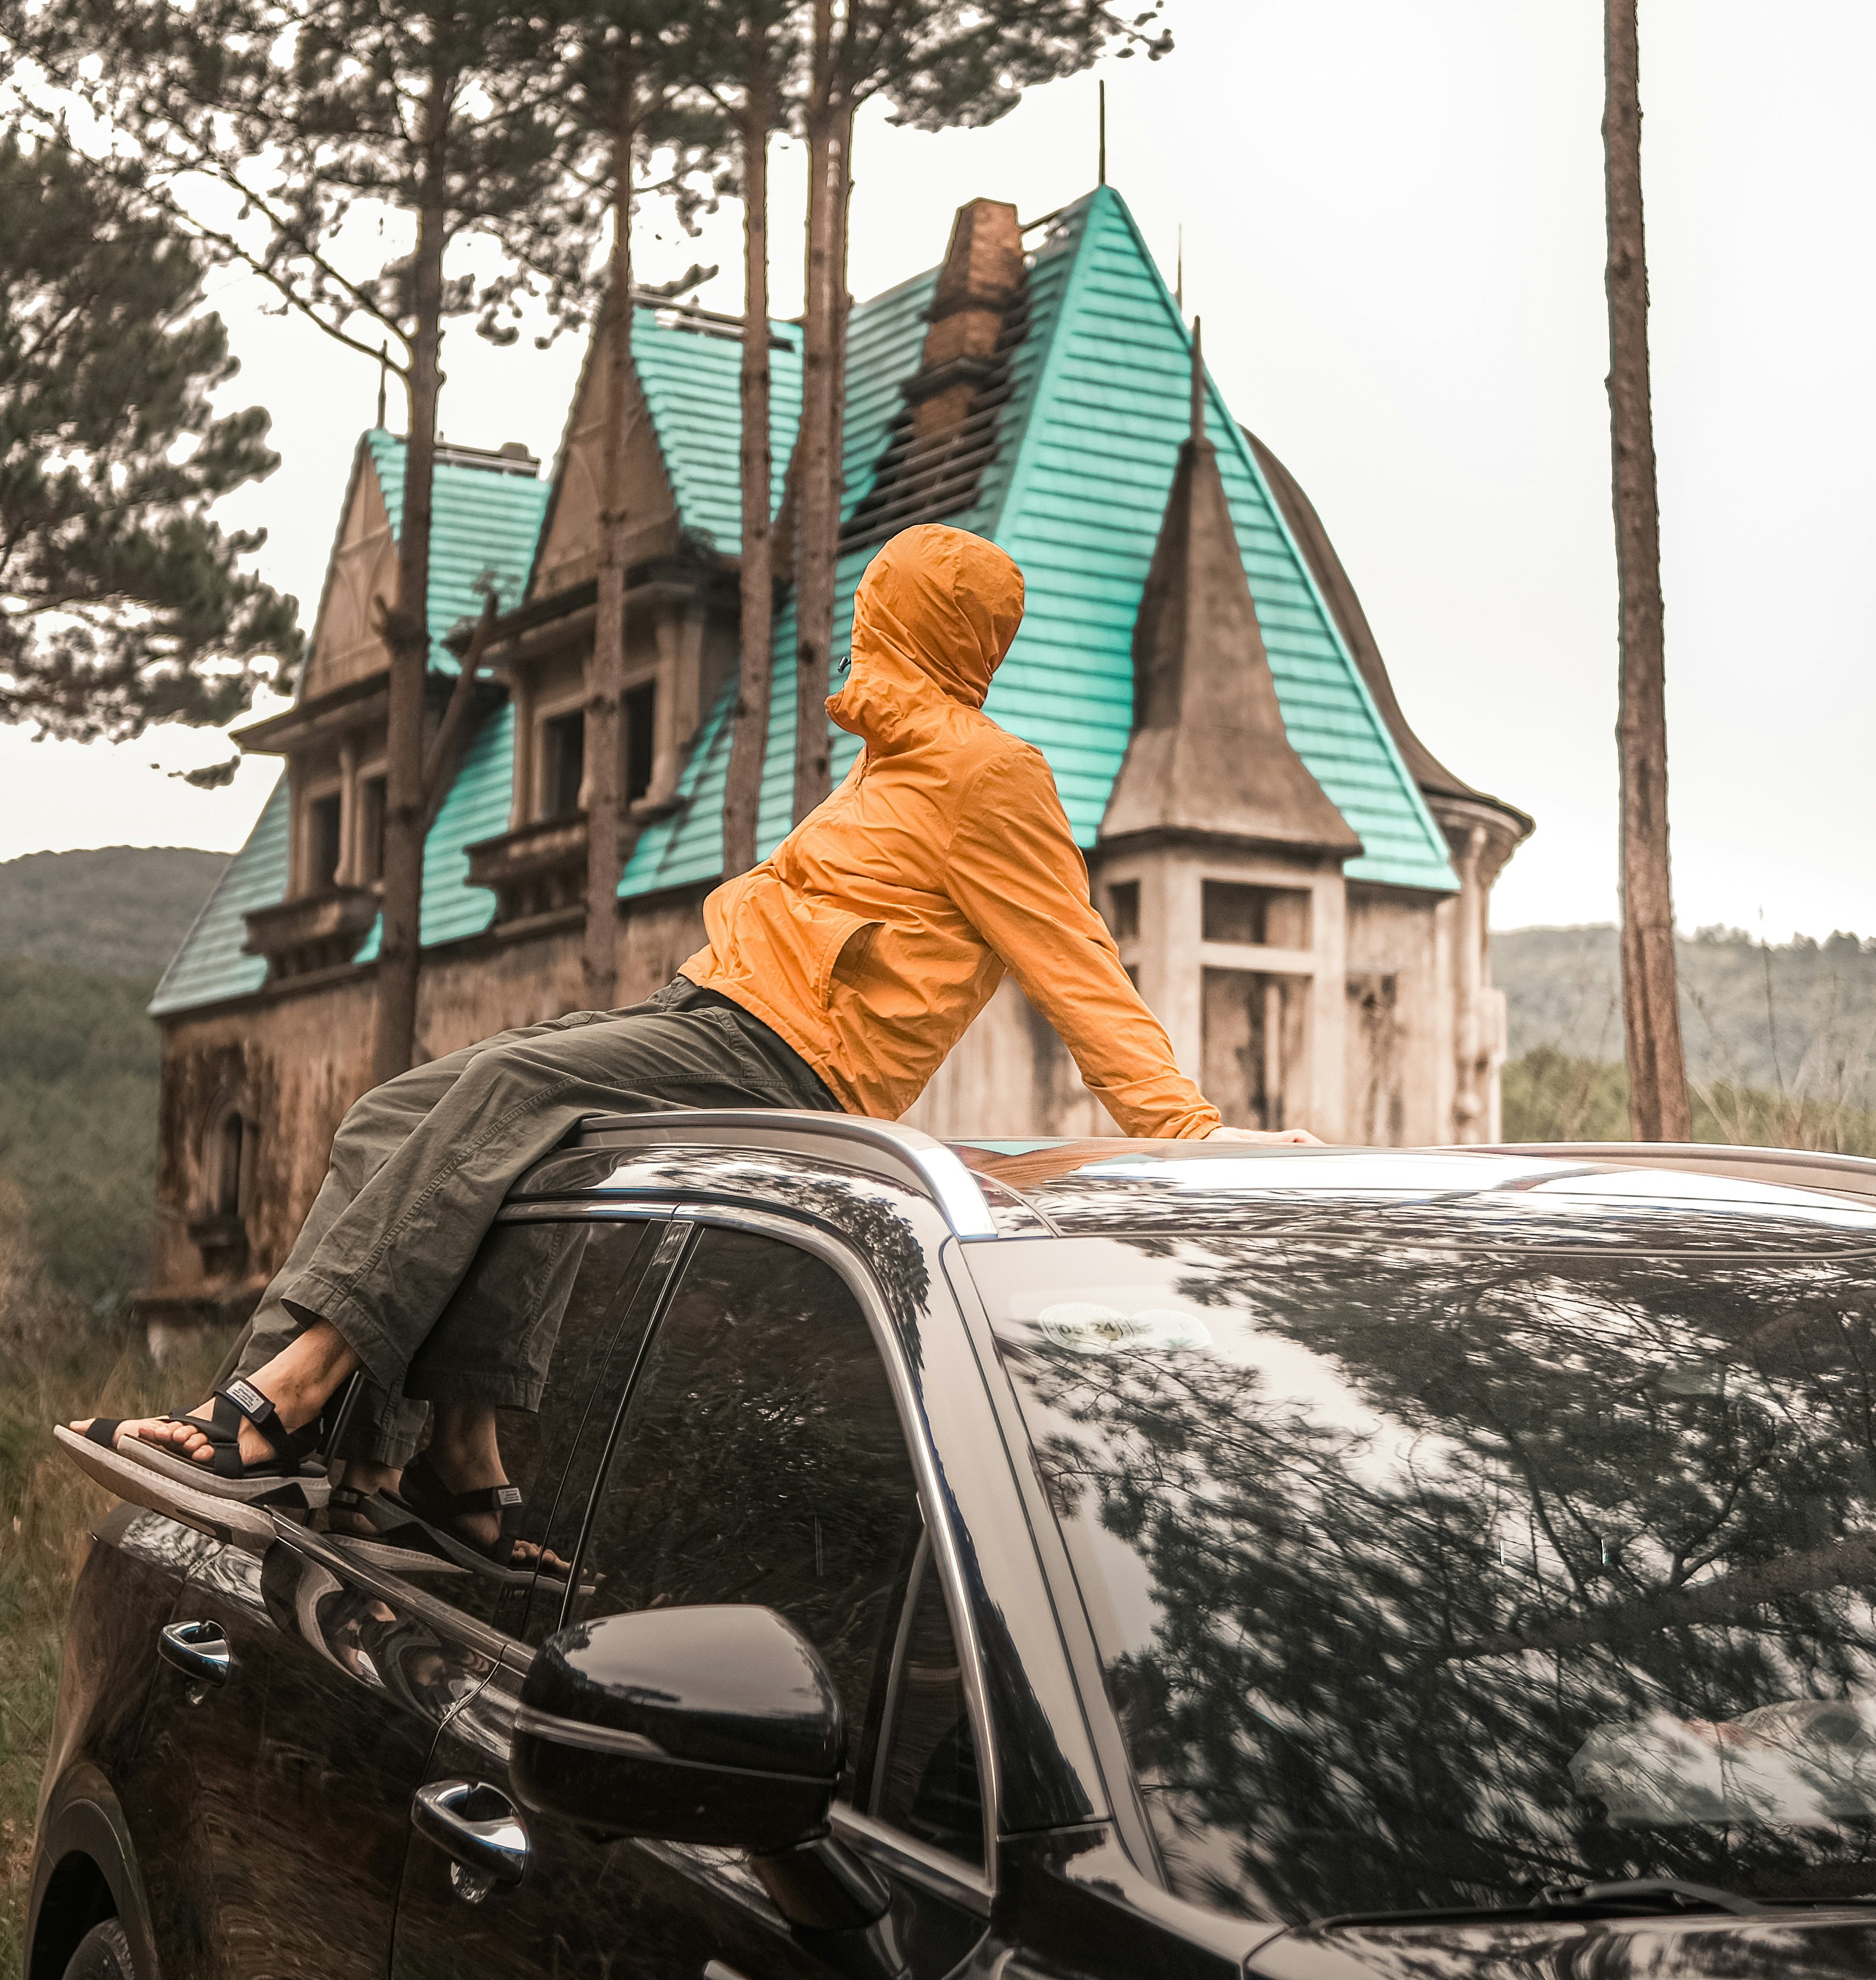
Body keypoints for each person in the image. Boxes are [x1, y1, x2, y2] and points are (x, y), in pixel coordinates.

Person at [85, 522, 1310, 1564]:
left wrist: (1193, 1144)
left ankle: (284, 1401)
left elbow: (1085, 975)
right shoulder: (896, 766)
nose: (864, 617)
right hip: (706, 1016)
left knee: (511, 1086)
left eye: (882, 601)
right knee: (403, 1110)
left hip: (788, 1060)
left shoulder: (994, 779)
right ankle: (457, 1469)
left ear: (926, 625)